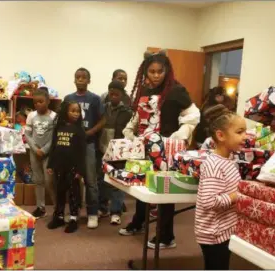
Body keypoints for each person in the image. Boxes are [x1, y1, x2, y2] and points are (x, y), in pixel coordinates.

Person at [120, 50, 200, 249]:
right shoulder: (144, 90)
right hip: (143, 146)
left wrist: (180, 135)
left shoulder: (176, 90)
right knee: (142, 185)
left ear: (167, 71)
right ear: (145, 72)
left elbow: (193, 115)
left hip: (166, 148)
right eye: (152, 71)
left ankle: (166, 236)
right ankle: (139, 221)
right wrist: (131, 128)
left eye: (160, 71)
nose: (156, 75)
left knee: (164, 191)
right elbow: (139, 114)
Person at [195, 104, 246, 270]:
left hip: (224, 229)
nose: (245, 137)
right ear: (220, 135)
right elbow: (209, 201)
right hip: (214, 234)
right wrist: (236, 196)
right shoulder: (214, 165)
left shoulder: (229, 160)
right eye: (239, 132)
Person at [64, 68, 105, 229]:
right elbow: (62, 118)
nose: (80, 80)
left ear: (89, 80)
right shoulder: (68, 98)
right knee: (72, 180)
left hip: (88, 144)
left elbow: (103, 120)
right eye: (77, 77)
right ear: (74, 80)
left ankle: (93, 213)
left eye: (83, 77)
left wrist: (89, 133)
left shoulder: (94, 99)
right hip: (72, 146)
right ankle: (74, 212)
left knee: (90, 180)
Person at [47, 101, 86, 233]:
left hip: (73, 168)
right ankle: (58, 216)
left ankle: (74, 218)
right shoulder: (58, 127)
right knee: (60, 192)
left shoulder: (79, 130)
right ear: (65, 112)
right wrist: (50, 164)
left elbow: (82, 152)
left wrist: (80, 170)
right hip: (59, 166)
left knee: (73, 193)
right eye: (72, 111)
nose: (76, 114)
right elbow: (53, 147)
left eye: (78, 111)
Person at [97, 80, 133, 225]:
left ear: (122, 94)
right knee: (102, 180)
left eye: (117, 92)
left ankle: (116, 212)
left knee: (117, 181)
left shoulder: (128, 112)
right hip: (102, 148)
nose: (113, 94)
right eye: (111, 91)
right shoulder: (102, 109)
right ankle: (103, 208)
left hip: (119, 151)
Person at [25, 89, 57, 218]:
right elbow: (27, 134)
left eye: (41, 101)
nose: (38, 104)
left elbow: (54, 137)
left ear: (48, 102)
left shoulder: (54, 116)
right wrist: (35, 148)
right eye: (35, 102)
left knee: (49, 181)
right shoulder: (31, 116)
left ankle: (57, 208)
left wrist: (44, 150)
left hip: (48, 154)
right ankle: (40, 207)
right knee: (38, 180)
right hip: (34, 152)